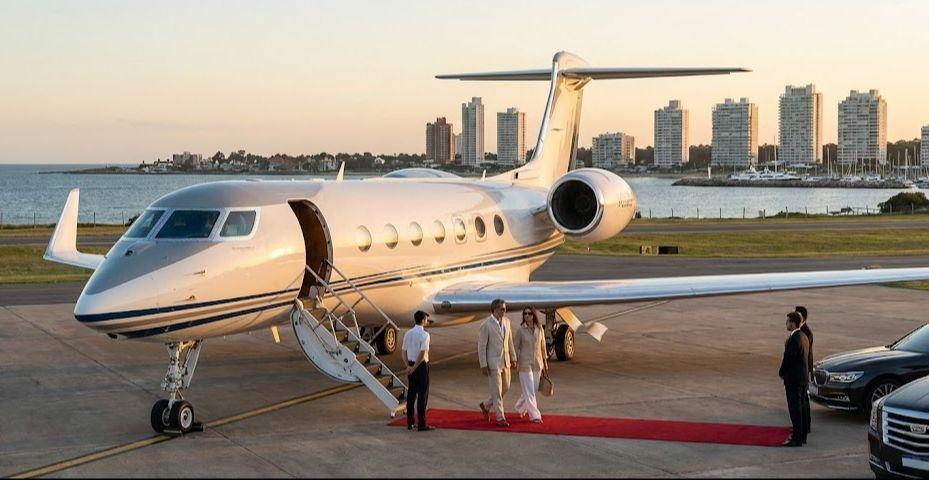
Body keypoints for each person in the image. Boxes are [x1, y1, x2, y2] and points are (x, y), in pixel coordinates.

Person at [478, 298, 518, 427]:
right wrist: (483, 364)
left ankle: (486, 405)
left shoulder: (507, 322)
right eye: (502, 309)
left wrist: (513, 357)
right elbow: (482, 346)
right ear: (494, 309)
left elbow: (510, 341)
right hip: (493, 362)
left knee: (505, 387)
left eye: (505, 309)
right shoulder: (486, 325)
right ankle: (500, 417)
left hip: (505, 360)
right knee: (496, 391)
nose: (504, 311)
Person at [779, 311, 810, 447]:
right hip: (802, 378)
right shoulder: (803, 336)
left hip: (794, 379)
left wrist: (781, 372)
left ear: (792, 323)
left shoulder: (794, 339)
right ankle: (802, 435)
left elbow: (789, 359)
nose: (786, 324)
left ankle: (796, 438)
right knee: (801, 406)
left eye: (787, 322)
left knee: (795, 408)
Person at [514, 307, 548, 423]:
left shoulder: (539, 329)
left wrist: (545, 362)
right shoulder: (520, 330)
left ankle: (519, 407)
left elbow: (543, 346)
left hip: (537, 363)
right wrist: (514, 360)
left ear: (534, 315)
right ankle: (535, 415)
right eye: (525, 314)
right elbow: (515, 346)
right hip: (525, 363)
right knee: (529, 390)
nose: (527, 316)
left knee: (531, 390)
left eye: (529, 314)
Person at [402, 311, 433, 431]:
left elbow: (403, 351)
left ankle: (410, 422)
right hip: (421, 366)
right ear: (423, 320)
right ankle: (422, 423)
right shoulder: (425, 335)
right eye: (426, 319)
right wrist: (414, 367)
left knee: (411, 395)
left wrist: (408, 367)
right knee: (422, 396)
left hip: (410, 364)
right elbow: (422, 353)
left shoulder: (408, 333)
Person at [795, 305, 812, 438]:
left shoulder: (805, 333)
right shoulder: (802, 331)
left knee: (802, 401)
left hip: (802, 372)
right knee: (803, 400)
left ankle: (804, 428)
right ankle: (804, 427)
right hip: (803, 372)